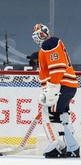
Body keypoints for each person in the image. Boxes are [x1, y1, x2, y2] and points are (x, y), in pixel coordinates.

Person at [32, 23, 80, 158]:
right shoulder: (50, 45)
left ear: (44, 33)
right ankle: (73, 148)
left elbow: (58, 67)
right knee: (64, 116)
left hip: (60, 86)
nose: (39, 38)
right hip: (67, 85)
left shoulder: (50, 44)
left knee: (51, 116)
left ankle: (58, 147)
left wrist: (52, 88)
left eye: (40, 35)